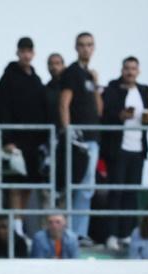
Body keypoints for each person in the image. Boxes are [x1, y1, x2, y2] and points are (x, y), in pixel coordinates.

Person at [101, 56, 148, 250]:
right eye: (127, 68)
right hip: (118, 149)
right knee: (116, 192)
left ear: (138, 71)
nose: (130, 72)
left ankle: (127, 233)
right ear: (122, 70)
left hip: (137, 149)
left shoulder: (143, 90)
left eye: (133, 68)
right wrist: (120, 116)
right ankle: (112, 234)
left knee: (132, 193)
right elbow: (106, 114)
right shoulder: (113, 88)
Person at [59, 32, 103, 243]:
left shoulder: (89, 75)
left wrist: (96, 84)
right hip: (79, 139)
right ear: (76, 48)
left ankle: (80, 231)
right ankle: (73, 233)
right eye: (82, 45)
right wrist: (68, 130)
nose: (86, 49)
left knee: (87, 186)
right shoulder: (72, 72)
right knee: (76, 184)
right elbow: (64, 102)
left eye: (89, 45)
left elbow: (99, 109)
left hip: (93, 137)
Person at [0, 37, 48, 211]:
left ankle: (19, 224)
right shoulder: (8, 77)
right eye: (23, 51)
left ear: (33, 53)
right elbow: (2, 108)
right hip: (15, 139)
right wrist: (7, 140)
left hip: (33, 141)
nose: (26, 55)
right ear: (17, 52)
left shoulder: (36, 78)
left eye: (29, 51)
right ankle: (15, 225)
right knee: (14, 185)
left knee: (29, 184)